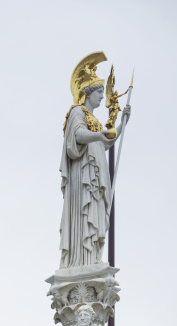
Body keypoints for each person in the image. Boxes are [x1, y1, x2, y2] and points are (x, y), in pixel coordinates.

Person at [60, 76, 130, 268]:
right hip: (83, 175)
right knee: (85, 214)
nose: (102, 97)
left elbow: (104, 143)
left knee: (95, 215)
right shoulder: (77, 112)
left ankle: (91, 258)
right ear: (89, 93)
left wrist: (122, 125)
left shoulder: (96, 122)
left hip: (96, 177)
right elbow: (77, 136)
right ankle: (80, 260)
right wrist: (98, 135)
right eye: (99, 92)